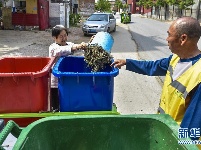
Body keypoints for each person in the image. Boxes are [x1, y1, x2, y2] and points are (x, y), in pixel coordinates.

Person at [111, 17, 201, 144]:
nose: (167, 39)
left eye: (169, 35)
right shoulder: (175, 59)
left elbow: (193, 126)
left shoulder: (199, 75)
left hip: (178, 141)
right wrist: (127, 62)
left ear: (183, 39)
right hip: (166, 131)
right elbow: (153, 67)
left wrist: (177, 145)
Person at [49, 25, 87, 111]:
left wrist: (85, 44)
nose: (64, 38)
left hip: (66, 80)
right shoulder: (53, 47)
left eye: (65, 35)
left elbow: (76, 46)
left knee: (67, 102)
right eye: (61, 36)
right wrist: (76, 47)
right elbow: (60, 51)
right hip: (55, 82)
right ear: (55, 38)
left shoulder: (69, 44)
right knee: (56, 105)